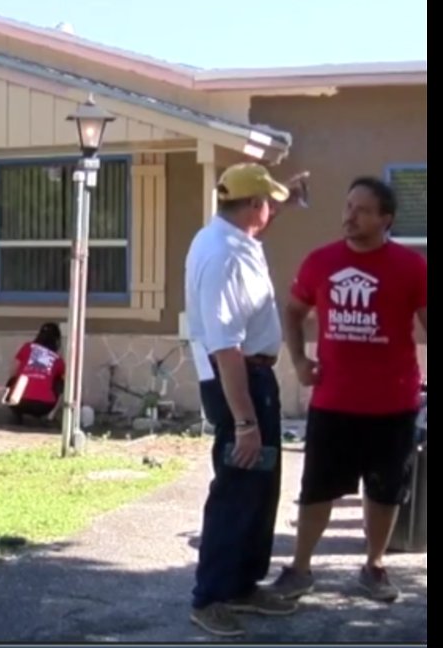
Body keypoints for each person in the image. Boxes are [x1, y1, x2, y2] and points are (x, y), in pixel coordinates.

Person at [269, 177, 428, 603]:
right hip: (334, 401)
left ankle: (374, 566)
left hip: (393, 402)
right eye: (348, 205)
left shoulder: (411, 267)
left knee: (385, 489)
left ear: (385, 219)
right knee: (317, 487)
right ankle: (300, 569)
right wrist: (300, 361)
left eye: (362, 209)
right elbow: (294, 310)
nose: (349, 215)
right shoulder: (321, 262)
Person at [183, 163, 299, 637]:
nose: (273, 209)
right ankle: (210, 596)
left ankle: (243, 584)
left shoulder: (233, 237)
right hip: (239, 382)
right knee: (236, 487)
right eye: (268, 202)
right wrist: (245, 422)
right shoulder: (224, 256)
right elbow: (225, 346)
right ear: (254, 207)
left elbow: (259, 215)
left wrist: (285, 195)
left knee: (260, 486)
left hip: (254, 378)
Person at [4, 323, 65, 425]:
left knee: (13, 379)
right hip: (44, 406)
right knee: (59, 381)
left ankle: (17, 414)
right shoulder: (58, 359)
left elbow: (12, 371)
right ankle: (49, 417)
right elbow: (65, 380)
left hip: (18, 402)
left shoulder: (27, 347)